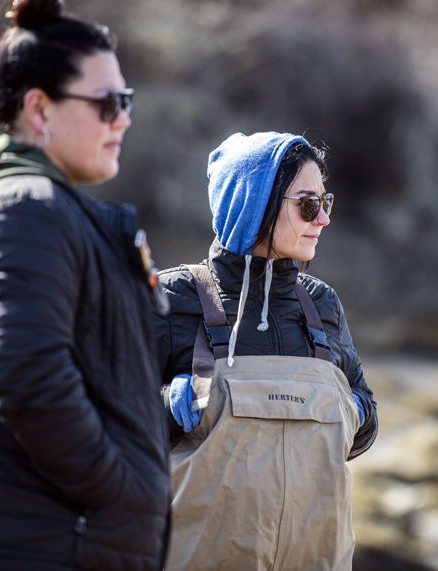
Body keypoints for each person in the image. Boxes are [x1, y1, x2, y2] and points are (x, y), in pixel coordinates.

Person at [0, 1, 170, 569]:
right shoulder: (24, 209)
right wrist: (119, 488)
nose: (123, 119)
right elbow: (28, 377)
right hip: (23, 544)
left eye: (126, 102)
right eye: (107, 104)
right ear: (39, 108)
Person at [156, 132, 378, 571]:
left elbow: (365, 418)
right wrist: (164, 405)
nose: (323, 219)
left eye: (325, 203)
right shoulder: (170, 298)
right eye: (307, 204)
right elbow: (103, 418)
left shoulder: (323, 305)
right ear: (252, 206)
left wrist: (356, 412)